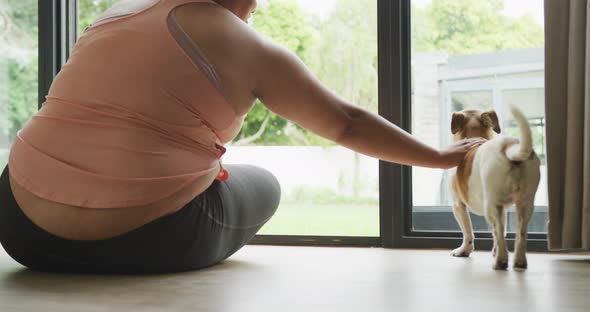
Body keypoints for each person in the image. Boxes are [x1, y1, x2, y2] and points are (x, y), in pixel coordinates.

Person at [0, 0, 484, 274]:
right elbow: (345, 122)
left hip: (20, 229)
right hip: (142, 243)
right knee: (264, 184)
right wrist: (439, 157)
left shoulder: (114, 15)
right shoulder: (242, 42)